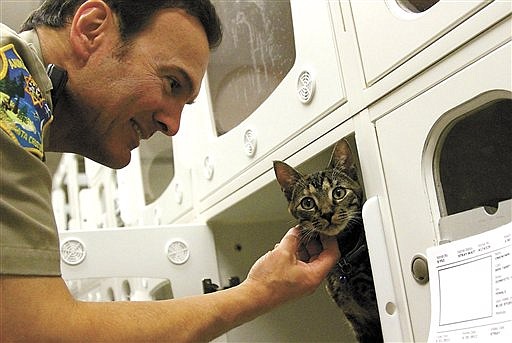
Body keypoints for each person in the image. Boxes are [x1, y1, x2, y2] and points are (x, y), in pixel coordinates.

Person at [0, 1, 340, 341]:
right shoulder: (9, 82)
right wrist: (260, 292)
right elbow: (35, 331)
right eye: (172, 83)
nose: (172, 126)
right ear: (91, 29)